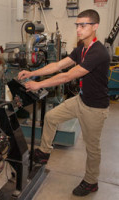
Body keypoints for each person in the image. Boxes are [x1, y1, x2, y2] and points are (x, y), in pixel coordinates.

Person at [18, 9, 110, 197]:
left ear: (95, 27)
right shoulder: (81, 48)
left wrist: (38, 84)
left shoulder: (98, 52)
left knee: (92, 148)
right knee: (51, 117)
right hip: (82, 99)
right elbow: (58, 66)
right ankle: (44, 152)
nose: (78, 29)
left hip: (95, 108)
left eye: (83, 25)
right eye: (77, 25)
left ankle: (91, 182)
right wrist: (32, 73)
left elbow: (67, 76)